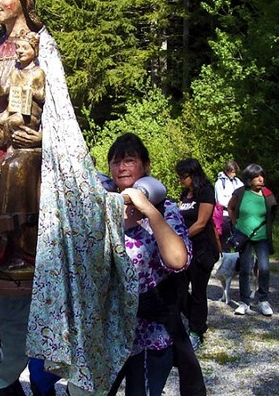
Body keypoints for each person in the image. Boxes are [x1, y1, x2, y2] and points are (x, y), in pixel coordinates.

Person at [0, 0, 135, 393]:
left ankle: (20, 244)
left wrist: (20, 132)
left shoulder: (42, 45)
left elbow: (51, 115)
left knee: (16, 164)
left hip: (28, 150)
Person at [105, 133, 194, 396]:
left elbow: (179, 261)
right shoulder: (101, 207)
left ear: (145, 165)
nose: (121, 167)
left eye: (129, 160)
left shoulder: (165, 209)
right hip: (106, 330)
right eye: (115, 161)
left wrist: (149, 211)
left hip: (150, 332)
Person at [175, 158, 220, 351]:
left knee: (199, 291)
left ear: (193, 175)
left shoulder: (206, 192)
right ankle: (197, 320)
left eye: (182, 177)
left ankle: (196, 332)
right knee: (178, 289)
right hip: (185, 249)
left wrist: (179, 237)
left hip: (203, 249)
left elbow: (201, 223)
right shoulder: (185, 193)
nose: (180, 181)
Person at [227, 163, 278, 317]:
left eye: (262, 175)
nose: (261, 179)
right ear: (249, 179)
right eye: (257, 176)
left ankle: (263, 300)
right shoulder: (240, 193)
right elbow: (230, 207)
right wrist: (236, 224)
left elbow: (273, 213)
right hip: (244, 237)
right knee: (244, 269)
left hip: (261, 237)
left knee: (264, 268)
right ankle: (244, 302)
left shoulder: (268, 194)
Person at [214, 160, 243, 251]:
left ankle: (239, 259)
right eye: (233, 172)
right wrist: (232, 203)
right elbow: (220, 200)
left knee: (238, 238)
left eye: (235, 172)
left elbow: (242, 192)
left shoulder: (237, 182)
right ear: (227, 170)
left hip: (236, 214)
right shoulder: (219, 183)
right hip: (225, 215)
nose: (234, 174)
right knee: (225, 240)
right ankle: (226, 260)